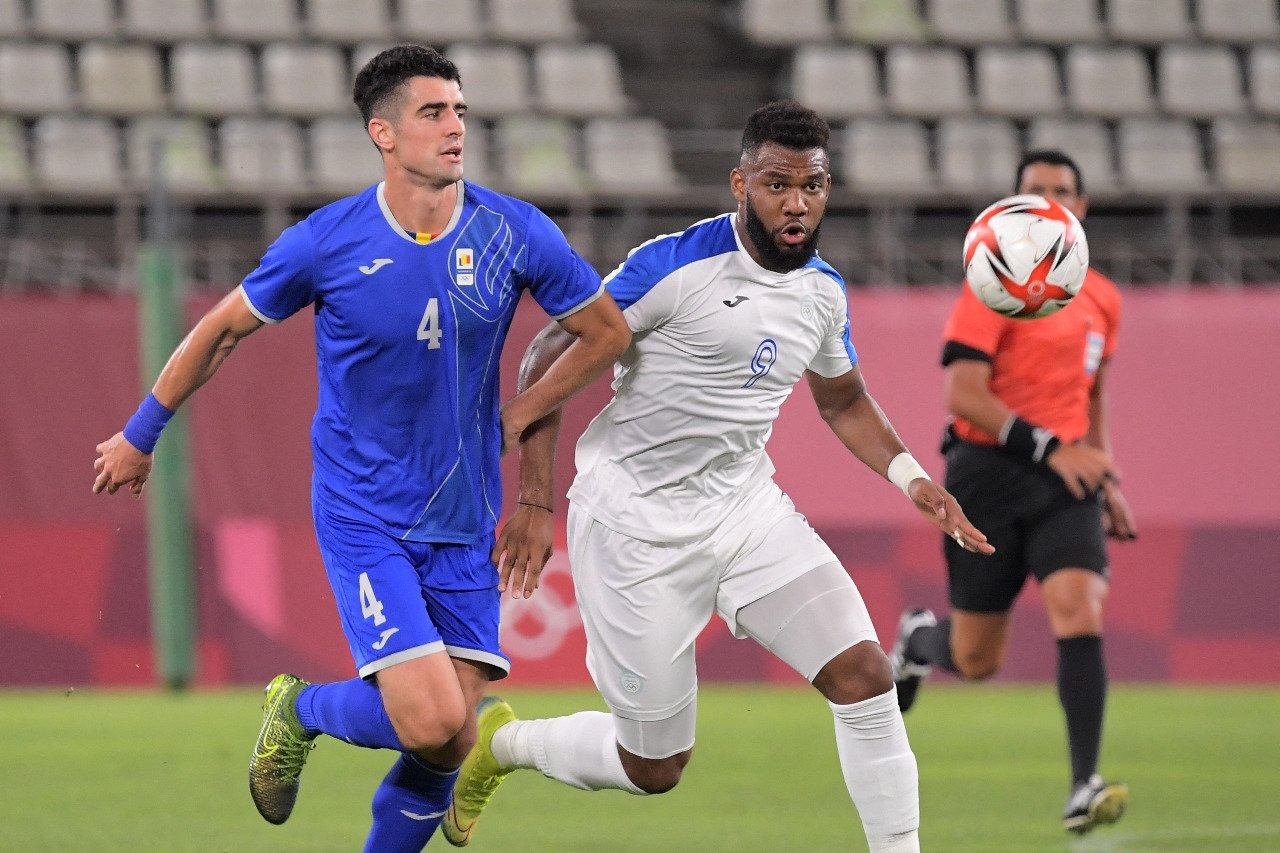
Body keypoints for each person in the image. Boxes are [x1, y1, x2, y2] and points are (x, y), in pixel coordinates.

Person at [92, 44, 630, 852]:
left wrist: (520, 436)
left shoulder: (513, 231)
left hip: (464, 514)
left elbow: (604, 334)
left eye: (459, 110)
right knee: (434, 716)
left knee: (448, 740)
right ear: (383, 132)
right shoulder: (326, 242)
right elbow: (222, 329)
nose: (455, 127)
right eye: (433, 112)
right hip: (364, 510)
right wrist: (141, 432)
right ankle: (299, 707)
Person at [440, 100, 993, 853]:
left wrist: (911, 478)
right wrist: (534, 496)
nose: (797, 203)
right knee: (654, 765)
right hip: (632, 528)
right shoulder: (676, 265)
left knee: (866, 676)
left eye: (813, 186)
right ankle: (500, 746)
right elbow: (547, 354)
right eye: (777, 184)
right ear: (740, 183)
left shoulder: (821, 292)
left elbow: (844, 399)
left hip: (743, 512)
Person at [889, 150, 1138, 835]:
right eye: (1037, 192)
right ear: (1015, 206)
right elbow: (963, 392)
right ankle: (919, 640)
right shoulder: (991, 284)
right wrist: (1051, 448)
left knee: (1079, 605)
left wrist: (1104, 470)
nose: (1051, 201)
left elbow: (1093, 395)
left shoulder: (1103, 298)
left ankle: (1083, 782)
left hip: (1066, 480)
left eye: (1063, 192)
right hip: (987, 473)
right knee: (975, 659)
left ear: (1081, 210)